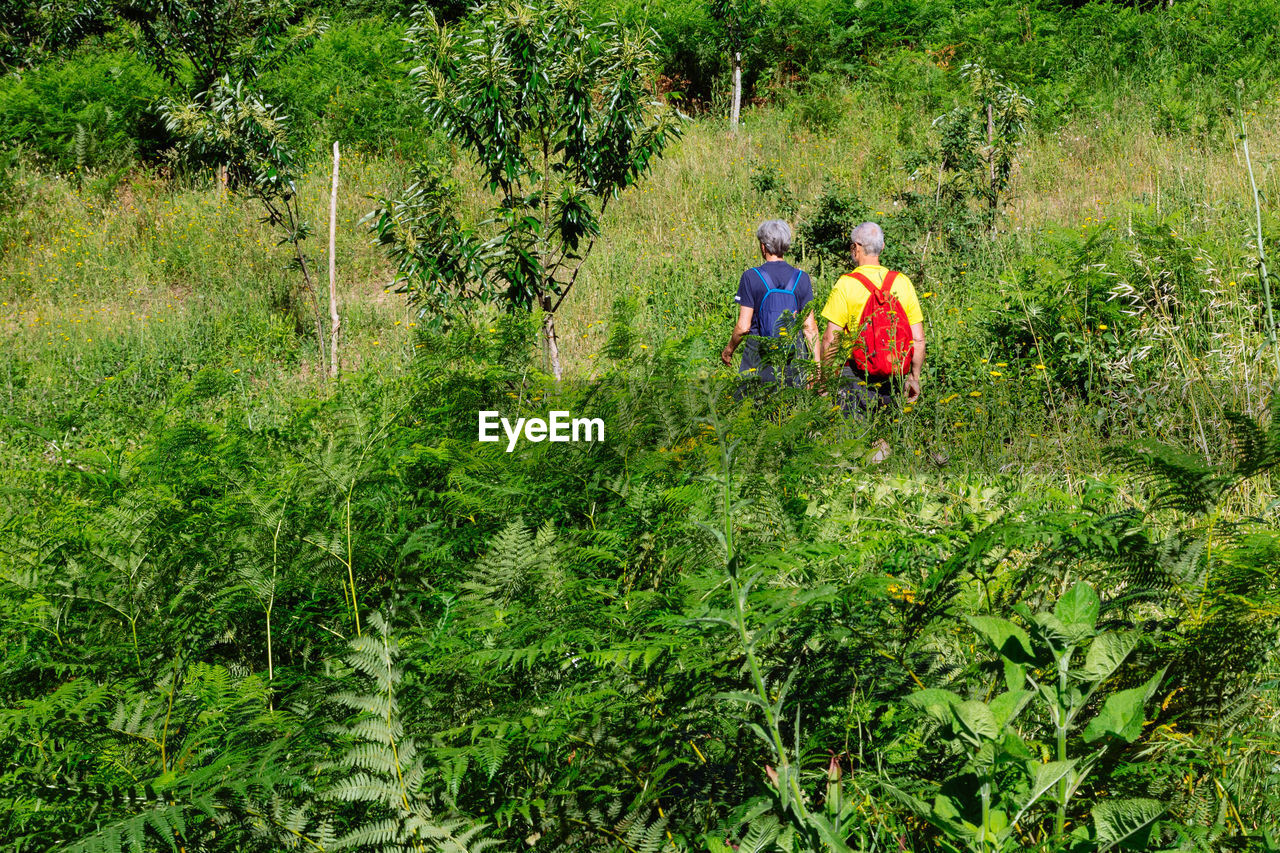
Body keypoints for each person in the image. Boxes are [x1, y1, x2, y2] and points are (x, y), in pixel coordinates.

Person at [818, 222, 926, 411]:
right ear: (882, 247)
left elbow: (830, 339)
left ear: (856, 248)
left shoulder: (846, 284)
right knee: (887, 434)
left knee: (855, 437)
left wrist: (824, 379)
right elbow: (918, 339)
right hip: (894, 376)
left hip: (855, 376)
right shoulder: (902, 282)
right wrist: (914, 377)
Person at [721, 219, 820, 385]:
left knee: (751, 407)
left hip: (757, 357)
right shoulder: (801, 278)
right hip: (793, 359)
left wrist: (729, 350)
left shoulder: (751, 276)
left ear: (763, 246)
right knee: (792, 408)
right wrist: (816, 368)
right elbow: (810, 327)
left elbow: (743, 326)